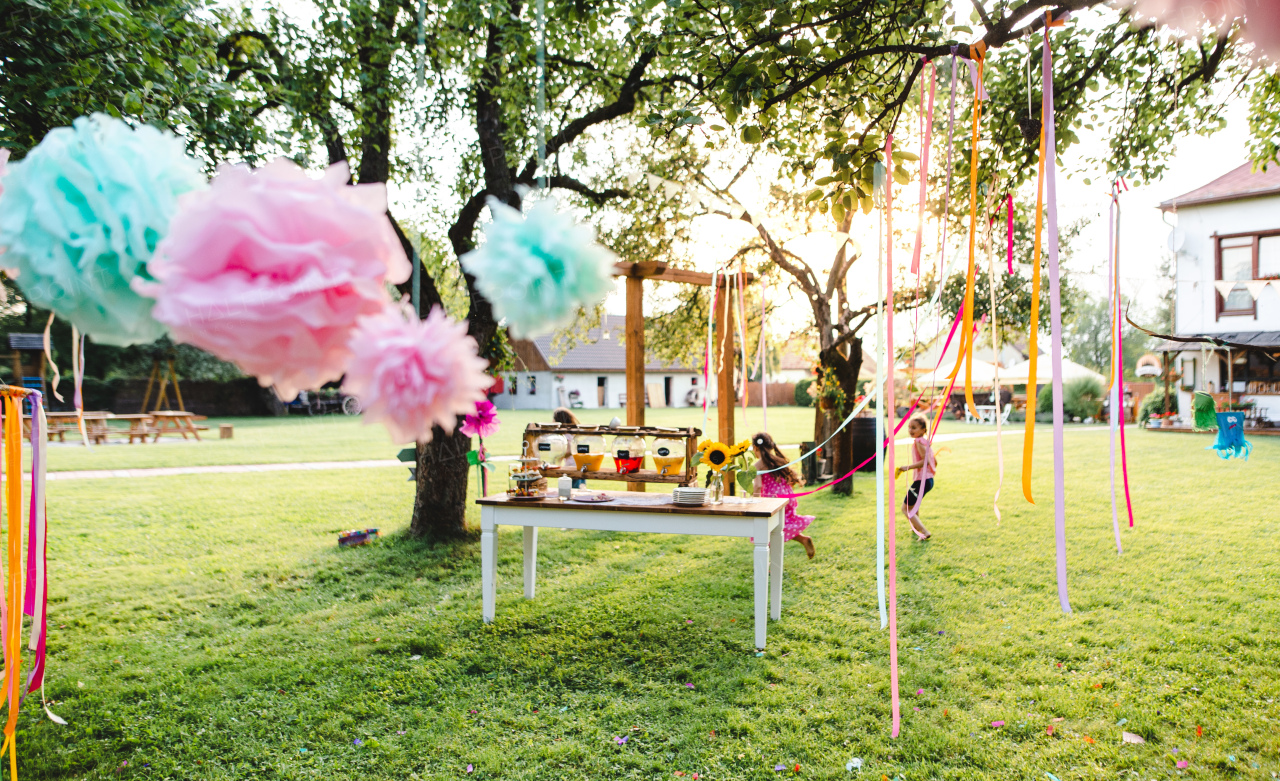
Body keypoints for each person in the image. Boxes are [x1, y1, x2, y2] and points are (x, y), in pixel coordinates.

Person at [751, 432, 816, 559]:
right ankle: (803, 539)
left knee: (767, 531)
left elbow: (758, 486)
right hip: (786, 498)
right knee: (779, 527)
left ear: (755, 448)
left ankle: (769, 564)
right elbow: (791, 476)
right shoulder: (778, 460)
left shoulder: (758, 465)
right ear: (771, 446)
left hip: (772, 500)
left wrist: (755, 501)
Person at [895, 415, 936, 541]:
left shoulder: (918, 442)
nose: (911, 430)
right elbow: (934, 461)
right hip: (928, 480)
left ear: (923, 429)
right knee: (914, 506)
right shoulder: (925, 442)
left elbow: (926, 462)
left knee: (906, 508)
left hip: (922, 481)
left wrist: (906, 467)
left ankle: (924, 531)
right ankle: (917, 529)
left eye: (914, 427)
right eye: (909, 428)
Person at [552, 407, 586, 488]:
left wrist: (557, 457)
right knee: (581, 486)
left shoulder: (566, 436)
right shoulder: (573, 434)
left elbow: (570, 451)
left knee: (573, 488)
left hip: (572, 465)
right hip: (580, 464)